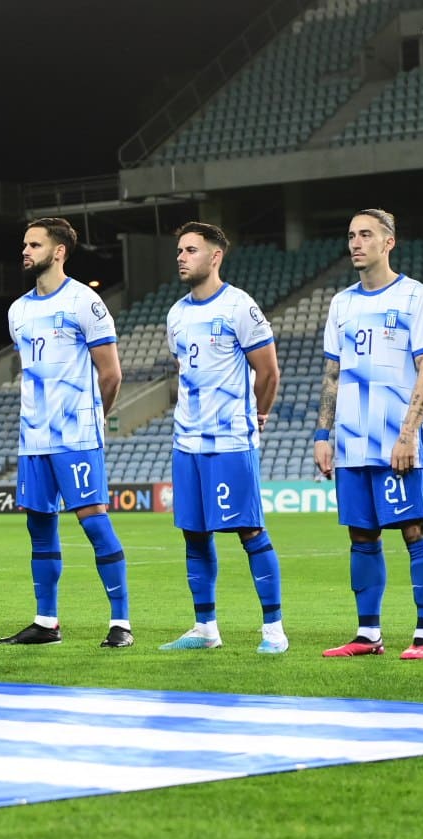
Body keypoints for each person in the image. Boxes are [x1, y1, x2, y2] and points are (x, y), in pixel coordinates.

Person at [314, 208, 423, 660]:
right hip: (351, 441)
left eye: (366, 234)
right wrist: (323, 433)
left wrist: (408, 434)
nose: (355, 242)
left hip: (396, 440)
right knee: (361, 536)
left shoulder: (415, 296)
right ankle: (367, 634)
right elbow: (332, 374)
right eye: (351, 235)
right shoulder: (341, 304)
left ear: (389, 242)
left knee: (415, 530)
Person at [0, 217, 132, 647]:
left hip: (76, 436)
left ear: (58, 252)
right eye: (25, 244)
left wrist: (92, 418)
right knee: (39, 526)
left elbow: (110, 374)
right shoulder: (18, 310)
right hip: (32, 438)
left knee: (94, 522)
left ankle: (121, 623)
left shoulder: (84, 302)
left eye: (34, 245)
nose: (25, 251)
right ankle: (46, 622)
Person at [160, 222, 287, 653]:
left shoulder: (239, 306)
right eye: (180, 250)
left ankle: (274, 630)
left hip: (230, 439)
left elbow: (268, 371)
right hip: (186, 442)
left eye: (191, 250)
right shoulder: (176, 315)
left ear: (215, 257)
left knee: (249, 530)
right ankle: (205, 628)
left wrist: (258, 415)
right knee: (194, 534)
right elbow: (183, 370)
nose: (181, 257)